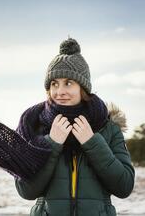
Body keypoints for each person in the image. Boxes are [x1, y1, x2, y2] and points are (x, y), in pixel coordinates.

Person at [14, 38, 135, 216]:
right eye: (54, 84)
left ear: (82, 88)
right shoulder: (36, 128)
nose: (60, 91)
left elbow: (124, 186)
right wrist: (52, 144)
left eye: (68, 83)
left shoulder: (108, 128)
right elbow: (26, 191)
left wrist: (92, 142)